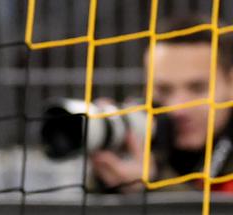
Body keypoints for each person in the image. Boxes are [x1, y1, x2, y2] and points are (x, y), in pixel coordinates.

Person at [89, 14, 233, 193]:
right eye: (163, 90)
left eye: (197, 88)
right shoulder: (140, 128)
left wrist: (154, 183)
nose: (178, 108)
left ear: (230, 82)